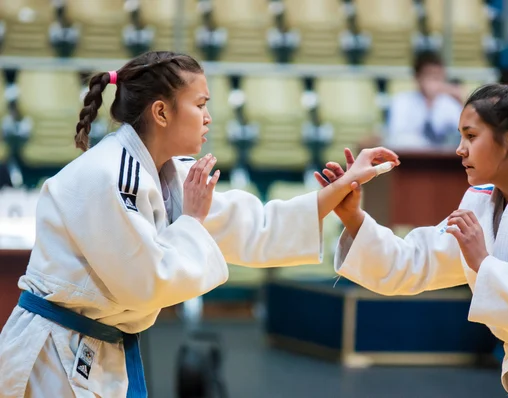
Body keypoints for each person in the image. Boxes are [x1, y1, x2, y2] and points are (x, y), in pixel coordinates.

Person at [0, 51, 399, 398]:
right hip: (52, 355)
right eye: (200, 105)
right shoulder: (108, 174)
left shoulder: (168, 171)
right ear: (161, 112)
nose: (209, 118)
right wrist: (191, 219)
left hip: (93, 348)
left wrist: (347, 182)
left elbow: (255, 226)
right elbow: (146, 282)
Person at [317, 77, 508, 397]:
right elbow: (412, 263)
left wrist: (483, 261)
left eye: (471, 136)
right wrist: (353, 216)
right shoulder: (479, 202)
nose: (459, 148)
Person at [384, 50, 463, 149]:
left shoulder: (450, 103)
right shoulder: (401, 102)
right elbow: (395, 138)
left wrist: (460, 101)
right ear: (417, 77)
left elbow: (462, 134)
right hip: (412, 159)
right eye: (430, 76)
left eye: (438, 76)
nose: (434, 81)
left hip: (443, 161)